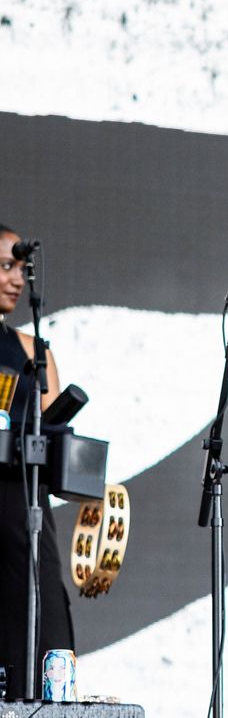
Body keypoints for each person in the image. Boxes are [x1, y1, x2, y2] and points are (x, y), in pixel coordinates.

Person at [0, 224, 72, 700]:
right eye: (6, 266)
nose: (17, 278)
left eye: (22, 269)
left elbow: (55, 437)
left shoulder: (32, 350)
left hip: (23, 517)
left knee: (45, 640)